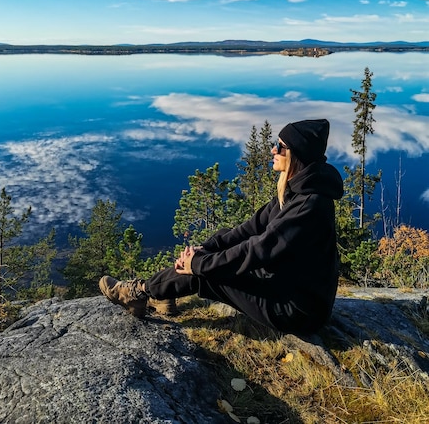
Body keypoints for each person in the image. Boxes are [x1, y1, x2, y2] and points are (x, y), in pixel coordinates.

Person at [99, 119, 344, 334]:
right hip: (282, 283)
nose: (273, 150)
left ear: (296, 154)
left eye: (280, 146)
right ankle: (163, 295)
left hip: (296, 310)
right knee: (220, 241)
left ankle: (138, 294)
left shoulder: (308, 206)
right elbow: (250, 229)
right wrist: (203, 249)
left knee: (207, 275)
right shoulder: (296, 190)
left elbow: (257, 250)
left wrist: (198, 265)